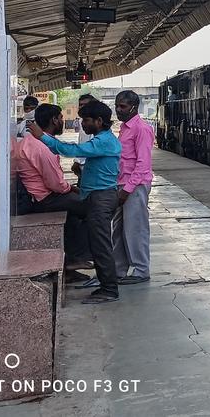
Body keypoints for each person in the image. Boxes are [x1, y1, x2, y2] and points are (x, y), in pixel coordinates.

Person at [29, 101, 122, 304]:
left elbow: (72, 150)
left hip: (101, 198)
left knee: (101, 245)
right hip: (97, 196)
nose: (83, 124)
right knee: (96, 241)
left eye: (86, 120)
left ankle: (109, 289)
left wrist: (42, 137)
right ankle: (101, 281)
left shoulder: (104, 141)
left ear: (99, 121)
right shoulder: (103, 140)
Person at [15, 104, 90, 275]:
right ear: (54, 120)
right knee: (95, 207)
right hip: (45, 199)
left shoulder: (31, 141)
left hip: (40, 196)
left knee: (74, 214)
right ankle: (76, 258)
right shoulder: (41, 147)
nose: (63, 121)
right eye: (61, 117)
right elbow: (55, 184)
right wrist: (72, 188)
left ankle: (70, 257)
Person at [114, 90, 154, 284]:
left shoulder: (141, 129)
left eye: (122, 106)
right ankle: (118, 269)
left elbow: (143, 163)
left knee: (135, 229)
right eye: (117, 106)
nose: (118, 110)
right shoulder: (124, 128)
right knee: (119, 230)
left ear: (134, 107)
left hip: (135, 186)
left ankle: (141, 270)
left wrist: (127, 190)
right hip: (122, 184)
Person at [71, 94, 95, 179]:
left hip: (90, 166)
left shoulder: (95, 123)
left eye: (85, 105)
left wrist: (77, 161)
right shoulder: (82, 121)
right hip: (82, 165)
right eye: (80, 105)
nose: (82, 107)